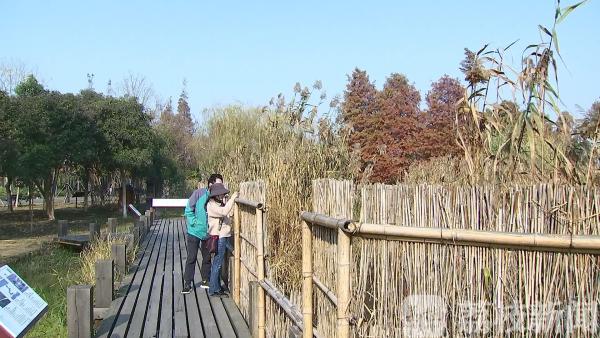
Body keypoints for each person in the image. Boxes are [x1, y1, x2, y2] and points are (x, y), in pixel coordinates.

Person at [182, 174, 223, 294]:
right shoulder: (198, 193)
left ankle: (205, 279)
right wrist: (194, 222)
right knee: (191, 257)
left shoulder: (218, 197)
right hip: (194, 231)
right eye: (217, 184)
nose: (220, 187)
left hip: (208, 232)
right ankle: (187, 283)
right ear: (210, 184)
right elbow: (188, 209)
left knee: (207, 257)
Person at [206, 183, 238, 297]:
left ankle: (217, 287)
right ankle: (213, 290)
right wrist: (233, 198)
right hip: (219, 237)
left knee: (218, 263)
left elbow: (228, 213)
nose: (222, 196)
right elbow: (224, 212)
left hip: (223, 236)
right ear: (215, 195)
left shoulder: (217, 204)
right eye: (220, 194)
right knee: (217, 264)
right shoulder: (211, 206)